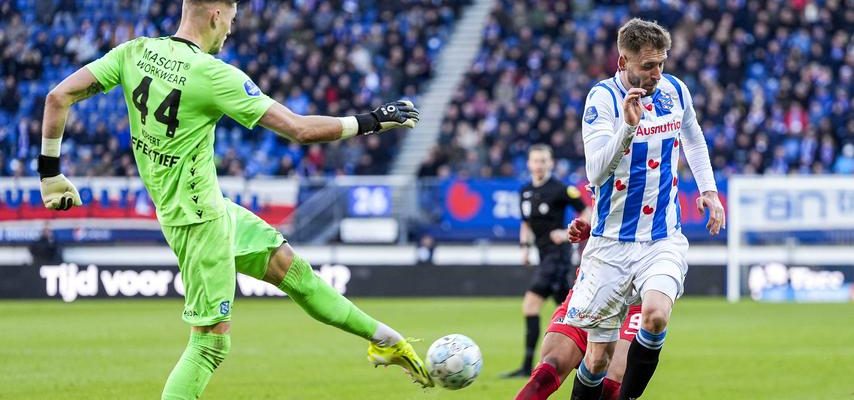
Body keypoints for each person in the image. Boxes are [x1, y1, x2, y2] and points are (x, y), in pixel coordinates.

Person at [37, 1, 432, 398]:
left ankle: (385, 337)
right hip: (198, 221)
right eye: (231, 20)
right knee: (209, 345)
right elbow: (299, 130)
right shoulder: (212, 75)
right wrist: (373, 120)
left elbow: (58, 97)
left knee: (293, 271)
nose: (230, 31)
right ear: (215, 16)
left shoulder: (134, 52)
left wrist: (51, 174)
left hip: (212, 209)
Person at [566, 18, 725, 400]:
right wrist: (627, 127)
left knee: (655, 315)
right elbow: (596, 171)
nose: (657, 73)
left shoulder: (675, 90)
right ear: (623, 62)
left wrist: (710, 191)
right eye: (648, 66)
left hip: (661, 237)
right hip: (610, 243)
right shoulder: (602, 100)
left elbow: (694, 139)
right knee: (598, 358)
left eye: (662, 63)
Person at [516, 218, 640, 400]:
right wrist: (587, 226)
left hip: (631, 304)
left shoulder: (659, 197)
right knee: (549, 368)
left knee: (611, 387)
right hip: (587, 293)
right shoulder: (603, 191)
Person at [503, 144, 591, 378]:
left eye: (543, 161)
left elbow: (587, 211)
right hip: (543, 257)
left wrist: (566, 233)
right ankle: (592, 354)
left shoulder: (562, 189)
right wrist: (524, 248)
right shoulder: (525, 190)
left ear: (550, 163)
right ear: (529, 164)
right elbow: (526, 223)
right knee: (571, 311)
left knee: (530, 304)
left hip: (558, 256)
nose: (539, 165)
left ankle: (526, 366)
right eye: (535, 161)